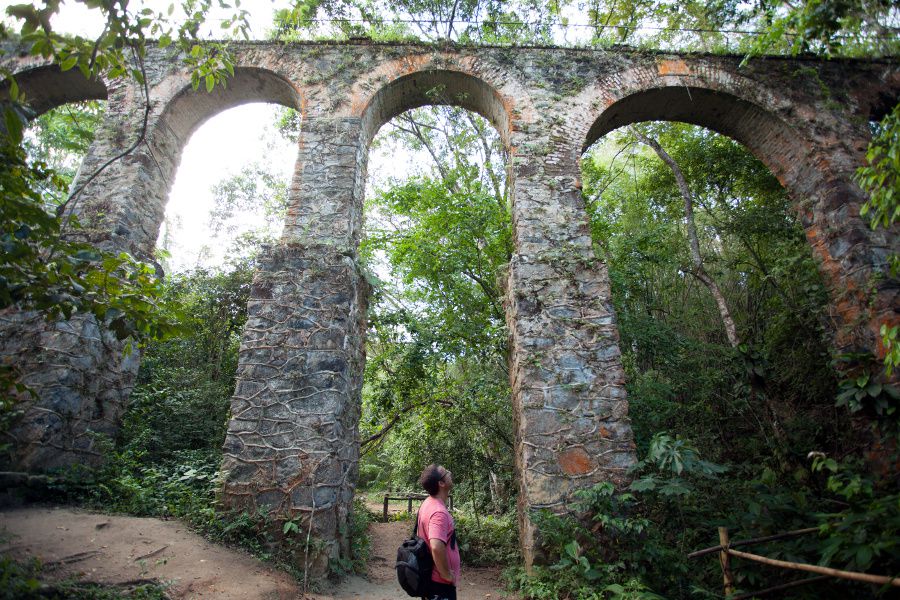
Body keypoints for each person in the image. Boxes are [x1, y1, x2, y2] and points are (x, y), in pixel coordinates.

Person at [417, 464, 460, 600]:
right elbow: (436, 546)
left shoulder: (428, 502)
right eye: (446, 472)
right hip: (439, 584)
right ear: (441, 483)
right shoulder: (438, 512)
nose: (449, 472)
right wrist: (446, 574)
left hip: (430, 580)